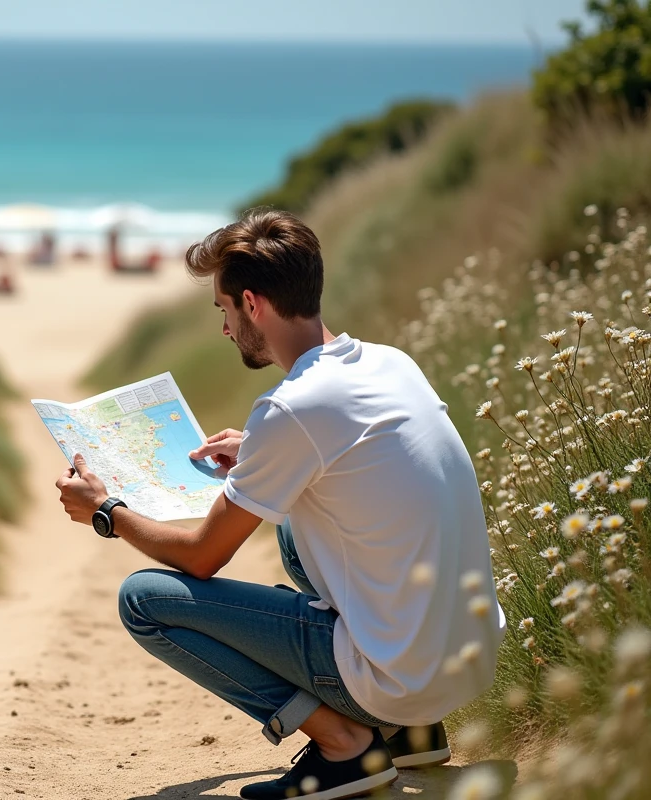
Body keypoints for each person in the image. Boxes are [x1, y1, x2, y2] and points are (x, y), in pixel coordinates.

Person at [55, 209, 505, 800]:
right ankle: (412, 733)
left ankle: (345, 746)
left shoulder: (292, 408)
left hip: (399, 677)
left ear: (253, 303)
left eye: (224, 310)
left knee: (143, 601)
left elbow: (202, 557)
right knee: (296, 531)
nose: (224, 328)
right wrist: (261, 453)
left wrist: (106, 511)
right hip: (470, 660)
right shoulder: (393, 363)